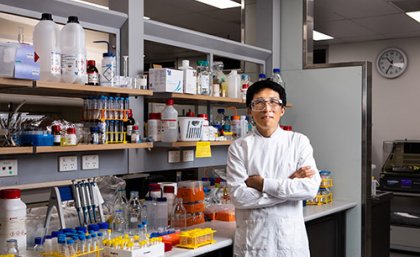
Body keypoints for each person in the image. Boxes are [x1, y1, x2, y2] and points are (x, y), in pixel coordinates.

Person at [226, 79, 321, 257]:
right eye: (259, 103)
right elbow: (239, 197)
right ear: (249, 110)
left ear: (282, 109)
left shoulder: (298, 142)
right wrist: (290, 185)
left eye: (273, 102)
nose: (267, 108)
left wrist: (263, 184)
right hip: (252, 244)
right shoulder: (239, 147)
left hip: (290, 243)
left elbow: (310, 189)